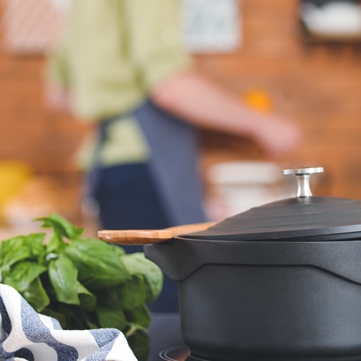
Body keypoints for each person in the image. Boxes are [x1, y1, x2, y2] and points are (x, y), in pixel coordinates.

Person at [45, 0, 301, 313]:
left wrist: (114, 99)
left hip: (109, 167)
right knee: (176, 311)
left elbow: (58, 95)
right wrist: (264, 124)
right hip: (150, 170)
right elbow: (169, 87)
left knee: (139, 308)